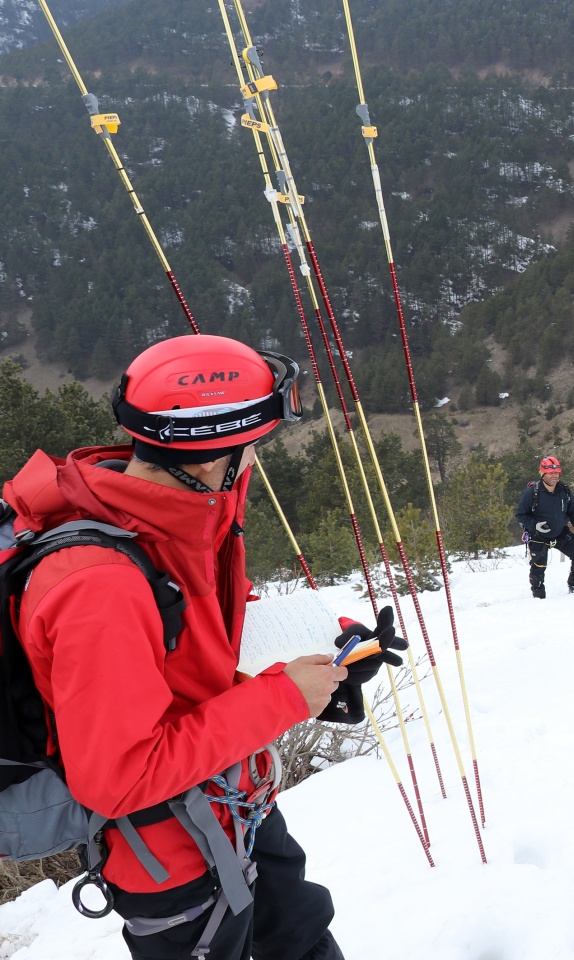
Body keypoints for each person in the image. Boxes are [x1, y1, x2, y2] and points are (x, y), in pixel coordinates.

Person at [4, 334, 400, 960]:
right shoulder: (98, 585)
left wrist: (328, 650)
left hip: (237, 800)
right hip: (173, 855)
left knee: (302, 938)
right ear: (218, 456)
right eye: (254, 445)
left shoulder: (170, 519)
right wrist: (284, 697)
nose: (256, 458)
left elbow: (200, 633)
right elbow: (118, 778)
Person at [513, 455, 574, 598]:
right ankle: (539, 597)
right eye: (551, 473)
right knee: (538, 567)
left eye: (557, 472)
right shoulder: (532, 493)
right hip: (538, 536)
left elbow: (573, 512)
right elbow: (520, 514)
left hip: (560, 533)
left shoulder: (564, 491)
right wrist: (535, 525)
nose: (555, 475)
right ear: (543, 473)